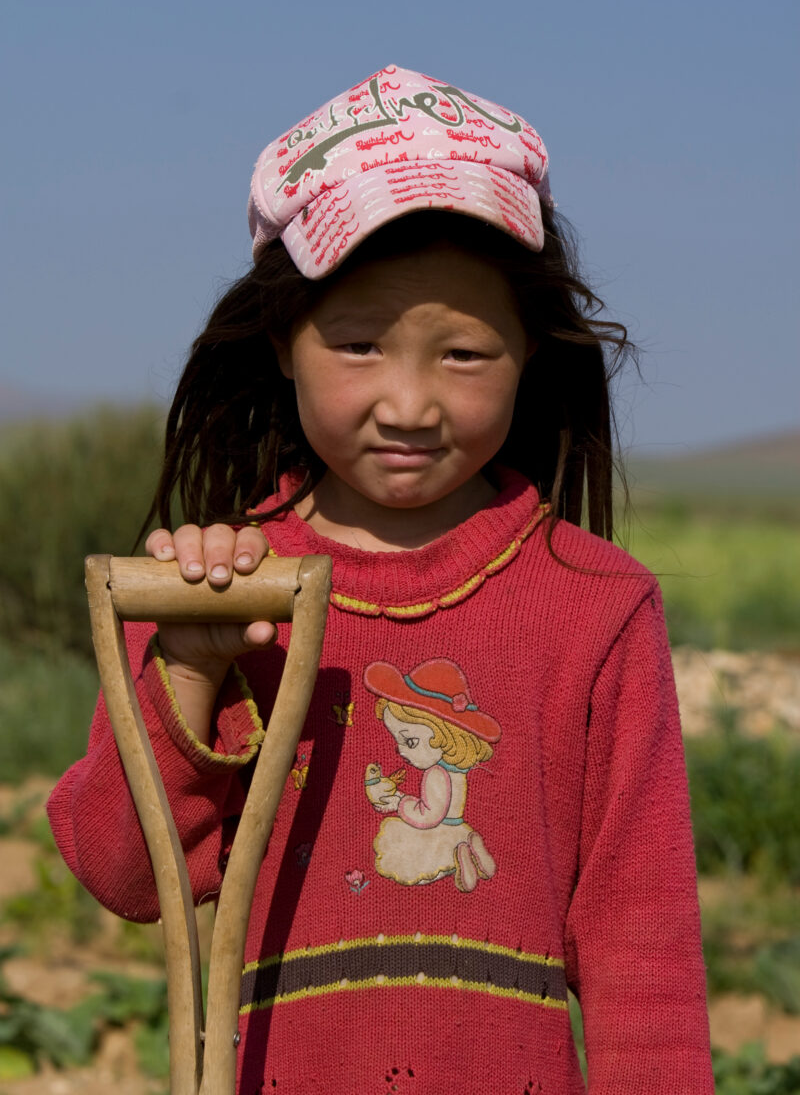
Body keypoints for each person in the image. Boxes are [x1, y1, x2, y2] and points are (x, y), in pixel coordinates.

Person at [48, 64, 714, 1093]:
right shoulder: (218, 592)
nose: (407, 404)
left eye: (461, 354)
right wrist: (189, 666)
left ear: (529, 350)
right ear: (281, 340)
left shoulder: (593, 602)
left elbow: (642, 952)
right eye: (357, 345)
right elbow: (123, 875)